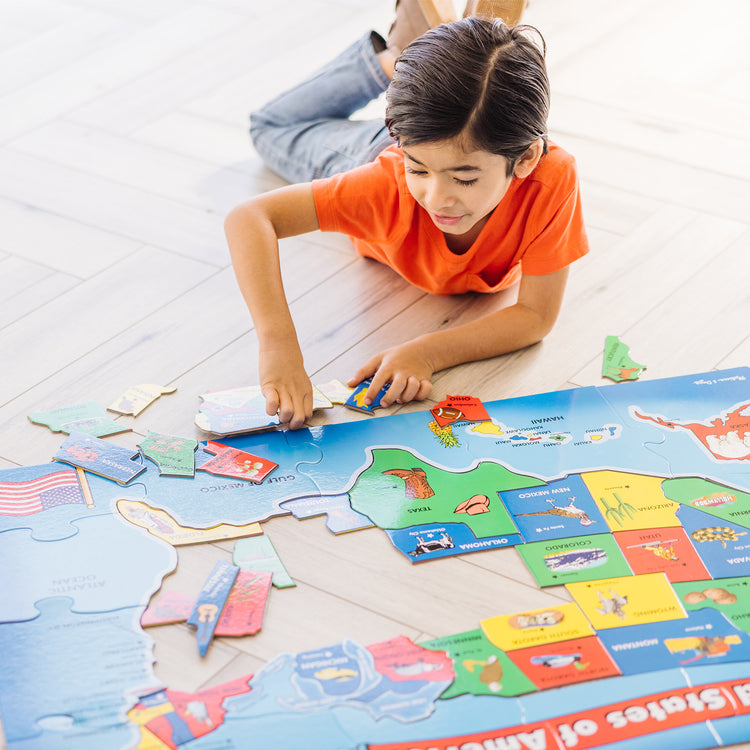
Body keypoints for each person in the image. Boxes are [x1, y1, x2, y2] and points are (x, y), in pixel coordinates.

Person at [225, 6, 589, 430]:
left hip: (433, 136)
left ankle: (423, 59)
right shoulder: (387, 182)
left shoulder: (552, 177)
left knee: (282, 129)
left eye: (465, 179)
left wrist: (427, 352)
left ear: (526, 158)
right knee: (270, 126)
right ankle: (396, 62)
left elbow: (536, 317)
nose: (437, 200)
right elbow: (249, 217)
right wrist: (277, 344)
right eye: (420, 172)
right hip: (380, 147)